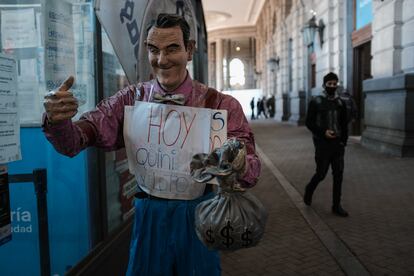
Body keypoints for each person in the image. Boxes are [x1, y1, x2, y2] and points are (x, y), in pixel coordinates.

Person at [42, 14, 260, 275]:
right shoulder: (130, 100)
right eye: (153, 50)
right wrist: (58, 122)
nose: (162, 60)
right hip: (148, 219)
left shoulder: (221, 105)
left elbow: (251, 170)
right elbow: (75, 141)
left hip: (200, 217)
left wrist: (238, 164)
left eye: (172, 49)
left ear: (189, 50)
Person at [303, 72, 349, 217]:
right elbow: (309, 122)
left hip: (337, 145)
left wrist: (343, 141)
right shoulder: (316, 101)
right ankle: (309, 189)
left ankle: (336, 206)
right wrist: (323, 132)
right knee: (321, 173)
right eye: (329, 84)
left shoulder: (340, 103)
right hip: (322, 144)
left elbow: (344, 123)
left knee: (338, 175)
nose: (332, 86)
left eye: (335, 84)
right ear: (324, 85)